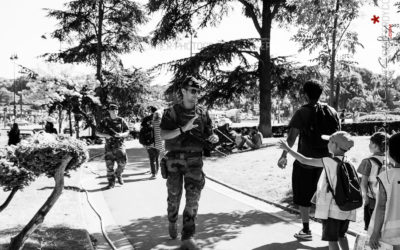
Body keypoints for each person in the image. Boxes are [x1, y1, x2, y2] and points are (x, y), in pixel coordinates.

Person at [160, 76, 219, 250]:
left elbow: (210, 132)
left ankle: (187, 235)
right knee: (174, 197)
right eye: (192, 91)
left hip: (195, 160)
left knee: (193, 200)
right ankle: (172, 219)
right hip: (174, 161)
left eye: (197, 92)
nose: (195, 95)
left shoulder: (202, 112)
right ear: (183, 91)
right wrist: (183, 129)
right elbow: (163, 135)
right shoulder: (171, 112)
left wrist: (213, 137)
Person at [277, 79, 340, 240]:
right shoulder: (332, 111)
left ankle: (306, 230)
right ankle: (331, 232)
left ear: (305, 94)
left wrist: (284, 156)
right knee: (327, 196)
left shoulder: (302, 112)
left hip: (305, 161)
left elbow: (291, 137)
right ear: (320, 93)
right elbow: (339, 136)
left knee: (303, 195)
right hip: (328, 162)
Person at [279, 131, 356, 250]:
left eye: (329, 142)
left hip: (332, 210)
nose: (327, 144)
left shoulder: (329, 162)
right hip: (346, 208)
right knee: (342, 235)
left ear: (335, 145)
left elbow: (305, 160)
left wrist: (287, 149)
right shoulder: (350, 162)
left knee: (332, 239)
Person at [369, 133, 400, 250]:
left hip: (390, 231)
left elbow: (381, 207)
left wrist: (375, 233)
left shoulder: (385, 176)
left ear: (390, 152)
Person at [357, 132, 389, 230]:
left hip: (372, 199)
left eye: (370, 143)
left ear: (375, 145)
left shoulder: (368, 161)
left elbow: (363, 182)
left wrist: (365, 196)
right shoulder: (389, 161)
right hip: (386, 198)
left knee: (370, 226)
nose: (369, 145)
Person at [97, 103, 130, 189]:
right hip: (109, 147)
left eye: (115, 110)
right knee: (109, 166)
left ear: (117, 111)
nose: (114, 112)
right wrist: (105, 135)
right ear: (109, 111)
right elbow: (97, 133)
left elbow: (127, 131)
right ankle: (111, 183)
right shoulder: (104, 121)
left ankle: (118, 174)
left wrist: (121, 134)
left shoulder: (121, 120)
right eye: (112, 110)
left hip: (120, 146)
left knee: (123, 163)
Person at [142, 106, 160, 178]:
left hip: (149, 141)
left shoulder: (146, 119)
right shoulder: (160, 119)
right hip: (158, 141)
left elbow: (142, 131)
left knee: (152, 157)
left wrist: (143, 142)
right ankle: (156, 171)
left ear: (151, 111)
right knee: (157, 157)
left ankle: (153, 173)